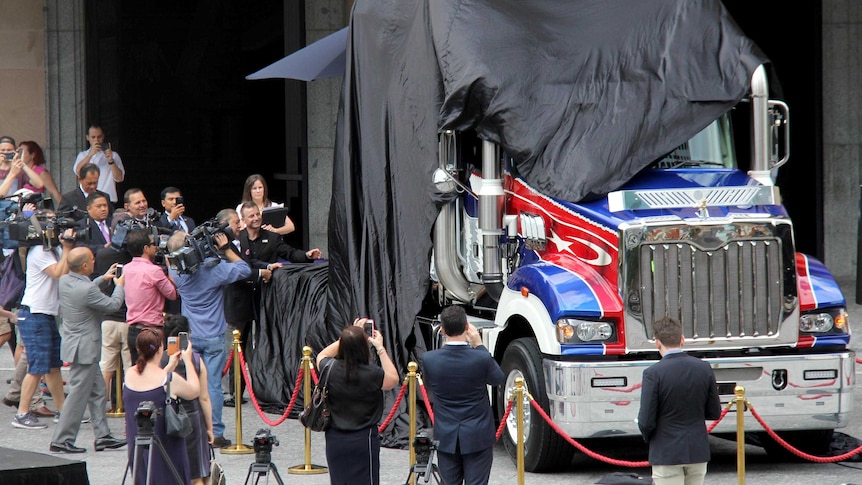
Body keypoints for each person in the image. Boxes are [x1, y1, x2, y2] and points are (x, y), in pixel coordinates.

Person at [167, 230, 251, 448]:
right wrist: (225, 250)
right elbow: (244, 269)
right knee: (213, 385)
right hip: (213, 335)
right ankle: (215, 431)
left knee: (188, 382)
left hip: (190, 337)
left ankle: (191, 427)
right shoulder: (215, 271)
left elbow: (173, 262)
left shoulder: (177, 274)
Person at [50, 247, 126, 453]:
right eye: (92, 260)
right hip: (85, 349)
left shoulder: (66, 280)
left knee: (98, 392)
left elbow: (86, 290)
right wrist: (119, 285)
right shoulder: (86, 290)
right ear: (85, 265)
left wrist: (103, 278)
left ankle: (102, 436)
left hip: (78, 346)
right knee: (76, 397)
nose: (95, 262)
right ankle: (62, 439)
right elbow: (112, 305)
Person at [422, 305, 504, 485]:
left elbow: (428, 385)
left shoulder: (429, 359)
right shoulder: (480, 358)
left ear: (442, 330)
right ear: (467, 327)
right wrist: (479, 345)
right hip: (477, 433)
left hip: (446, 434)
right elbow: (498, 378)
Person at [638, 316, 721, 485]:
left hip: (666, 450)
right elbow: (714, 412)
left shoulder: (653, 374)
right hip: (697, 450)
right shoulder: (703, 368)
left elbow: (646, 421)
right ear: (682, 340)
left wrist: (650, 438)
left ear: (657, 343)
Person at [316, 319, 399, 485]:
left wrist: (348, 337)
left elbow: (321, 355)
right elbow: (394, 379)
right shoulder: (373, 374)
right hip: (364, 439)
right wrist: (380, 348)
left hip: (335, 438)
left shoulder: (330, 369)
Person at [11, 224, 75, 429]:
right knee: (37, 366)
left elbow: (65, 270)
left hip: (46, 313)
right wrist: (66, 248)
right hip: (34, 313)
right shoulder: (39, 251)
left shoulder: (54, 250)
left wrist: (66, 248)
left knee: (53, 366)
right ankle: (22, 413)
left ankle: (63, 411)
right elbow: (58, 272)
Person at [124, 327, 199, 485]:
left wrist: (169, 366)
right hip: (165, 443)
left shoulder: (129, 374)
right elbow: (194, 391)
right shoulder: (168, 379)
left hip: (137, 442)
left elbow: (150, 384)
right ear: (160, 349)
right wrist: (188, 360)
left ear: (138, 348)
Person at [161, 314, 213, 485]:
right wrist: (210, 428)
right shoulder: (196, 361)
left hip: (166, 418)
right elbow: (204, 397)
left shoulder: (159, 360)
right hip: (192, 419)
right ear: (187, 335)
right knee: (196, 475)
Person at [124, 228, 177, 363]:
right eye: (153, 244)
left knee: (137, 370)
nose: (156, 247)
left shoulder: (126, 269)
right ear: (146, 248)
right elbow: (172, 294)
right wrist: (170, 269)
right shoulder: (154, 271)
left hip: (132, 330)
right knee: (153, 372)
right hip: (151, 332)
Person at [73, 125, 125, 204]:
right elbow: (78, 171)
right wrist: (90, 154)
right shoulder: (82, 155)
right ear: (87, 137)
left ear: (103, 137)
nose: (96, 140)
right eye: (93, 137)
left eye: (99, 137)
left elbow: (119, 178)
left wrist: (110, 161)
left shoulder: (114, 155)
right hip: (88, 200)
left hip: (108, 199)